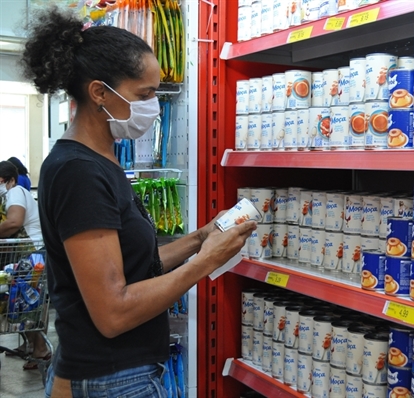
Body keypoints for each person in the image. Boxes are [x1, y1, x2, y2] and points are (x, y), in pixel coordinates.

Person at [20, 6, 256, 397]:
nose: (153, 105)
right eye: (144, 94)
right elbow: (113, 312)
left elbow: (134, 269)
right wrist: (207, 262)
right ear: (99, 92)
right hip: (109, 379)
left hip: (125, 374)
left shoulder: (102, 160)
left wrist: (201, 237)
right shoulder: (78, 171)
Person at [0, 161, 51, 370]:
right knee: (22, 303)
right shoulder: (10, 195)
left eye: (1, 181)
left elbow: (14, 222)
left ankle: (40, 348)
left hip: (33, 254)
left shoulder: (16, 192)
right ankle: (30, 345)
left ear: (11, 180)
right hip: (28, 255)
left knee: (29, 305)